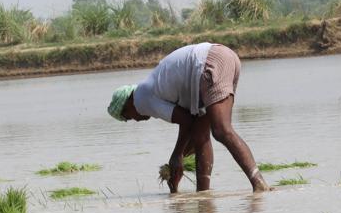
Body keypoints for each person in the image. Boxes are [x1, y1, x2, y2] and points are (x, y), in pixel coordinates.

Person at [107, 43, 270, 193]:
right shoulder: (151, 88)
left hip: (208, 64)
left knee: (221, 130)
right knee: (201, 136)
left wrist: (177, 155)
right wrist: (177, 161)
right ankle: (204, 194)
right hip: (224, 58)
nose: (134, 120)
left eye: (128, 117)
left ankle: (259, 183)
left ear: (128, 103)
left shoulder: (140, 99)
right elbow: (192, 129)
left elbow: (185, 120)